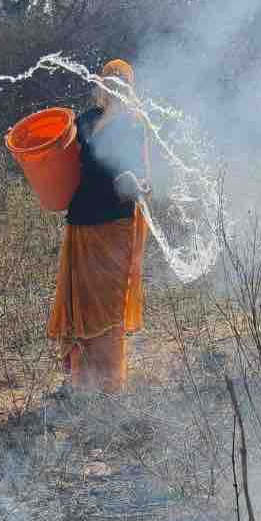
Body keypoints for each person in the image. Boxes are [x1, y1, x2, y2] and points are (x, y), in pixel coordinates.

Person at [47, 59, 150, 394]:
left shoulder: (135, 124)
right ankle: (78, 382)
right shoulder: (86, 121)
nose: (116, 84)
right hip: (83, 223)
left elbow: (139, 173)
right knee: (81, 306)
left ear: (130, 86)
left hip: (116, 224)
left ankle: (106, 386)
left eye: (122, 80)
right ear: (101, 84)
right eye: (111, 78)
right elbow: (61, 155)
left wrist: (137, 183)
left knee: (108, 307)